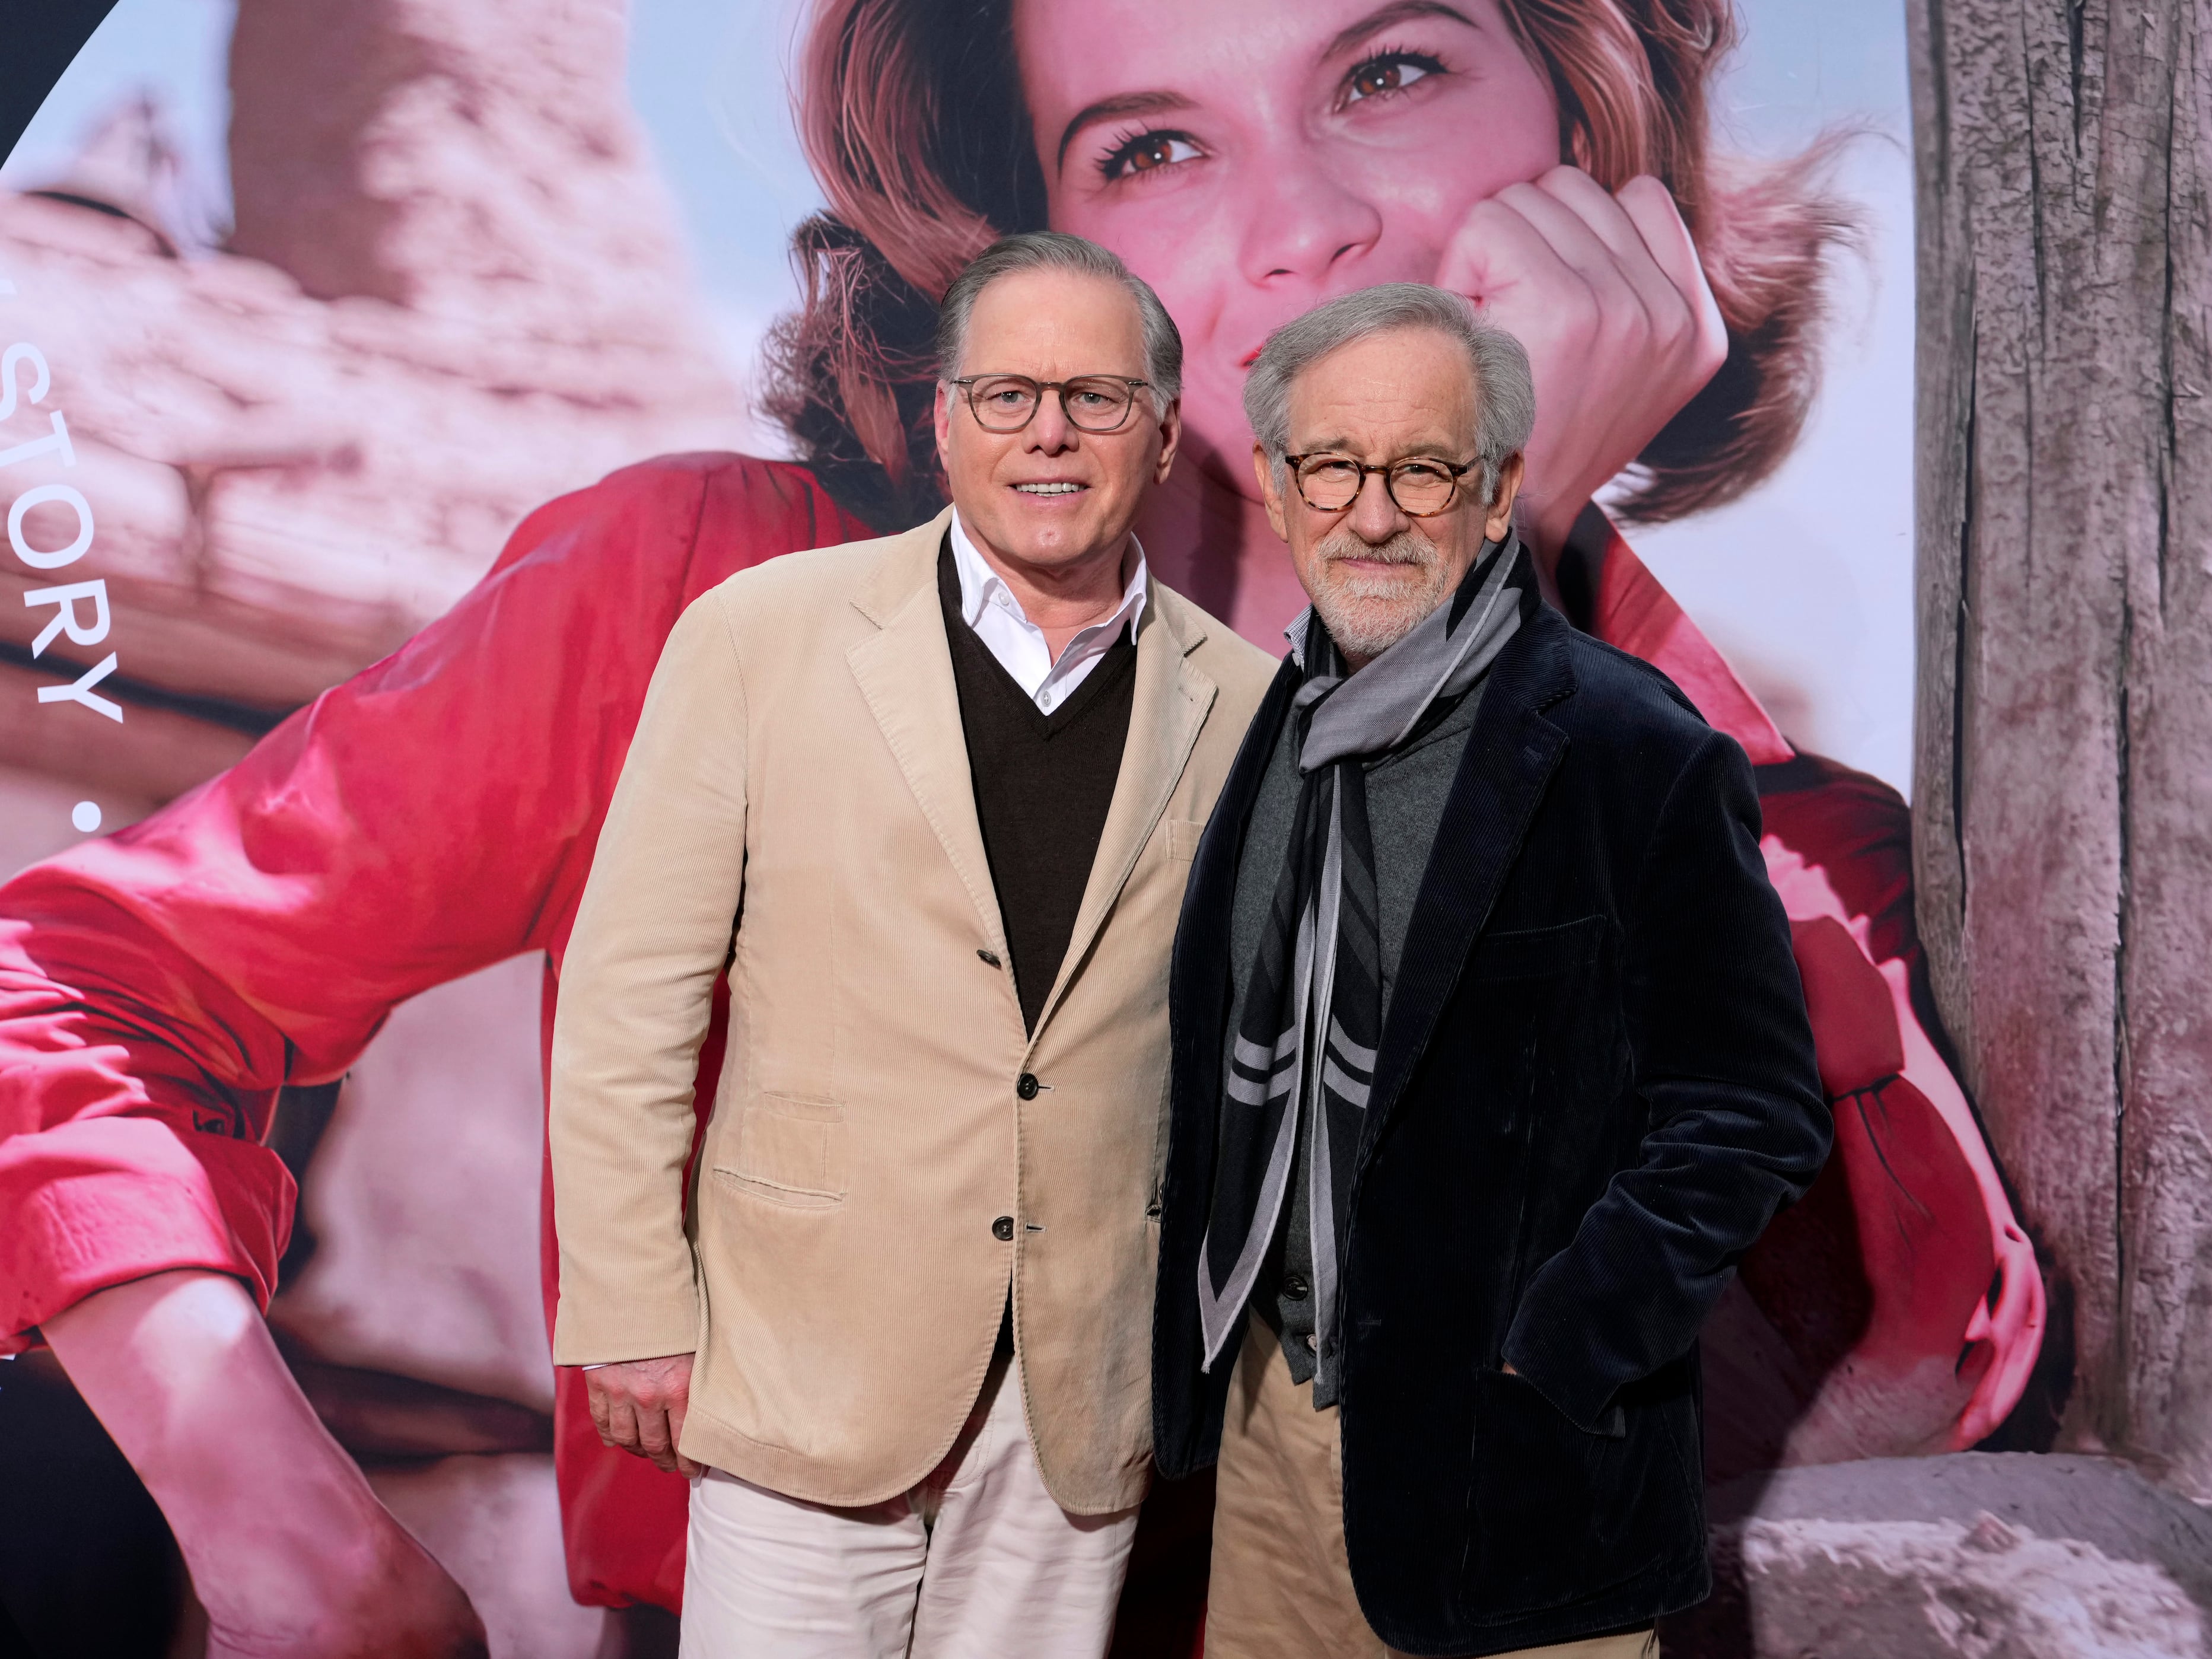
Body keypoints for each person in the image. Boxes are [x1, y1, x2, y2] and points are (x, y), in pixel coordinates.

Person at [0, 0, 2035, 1644]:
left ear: (1593, 122)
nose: (1298, 230)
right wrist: (297, 1540)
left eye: (1389, 69)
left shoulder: (1800, 872)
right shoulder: (709, 610)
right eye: (1151, 146)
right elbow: (60, 983)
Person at [548, 230, 1270, 1655]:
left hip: (1079, 1392)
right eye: (1005, 394)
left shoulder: (1249, 705)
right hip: (804, 1360)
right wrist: (631, 1301)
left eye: (1096, 397)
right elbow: (631, 999)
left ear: (1167, 431)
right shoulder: (759, 635)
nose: (1048, 432)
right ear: (943, 423)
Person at [1152, 284, 1826, 1658]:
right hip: (1275, 1446)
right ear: (1279, 489)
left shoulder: (1633, 749)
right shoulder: (1268, 724)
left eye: (1423, 468)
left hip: (1514, 1475)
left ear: (1500, 486)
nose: (1375, 513)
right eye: (1333, 466)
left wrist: (1558, 1348)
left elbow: (1751, 1108)